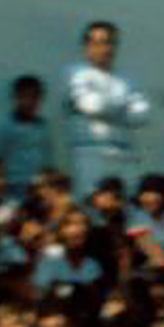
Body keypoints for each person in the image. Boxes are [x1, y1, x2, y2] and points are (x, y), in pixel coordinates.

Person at [62, 20, 151, 197]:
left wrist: (108, 109)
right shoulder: (75, 72)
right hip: (90, 153)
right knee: (90, 204)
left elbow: (142, 115)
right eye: (98, 43)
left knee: (125, 205)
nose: (105, 48)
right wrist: (123, 106)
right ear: (87, 46)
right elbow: (90, 105)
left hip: (124, 152)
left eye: (110, 42)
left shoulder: (127, 78)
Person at [0, 76, 53, 201]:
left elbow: (47, 157)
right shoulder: (6, 128)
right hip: (13, 188)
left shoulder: (42, 126)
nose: (30, 102)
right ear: (16, 98)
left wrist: (48, 179)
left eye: (35, 98)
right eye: (25, 97)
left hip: (39, 188)